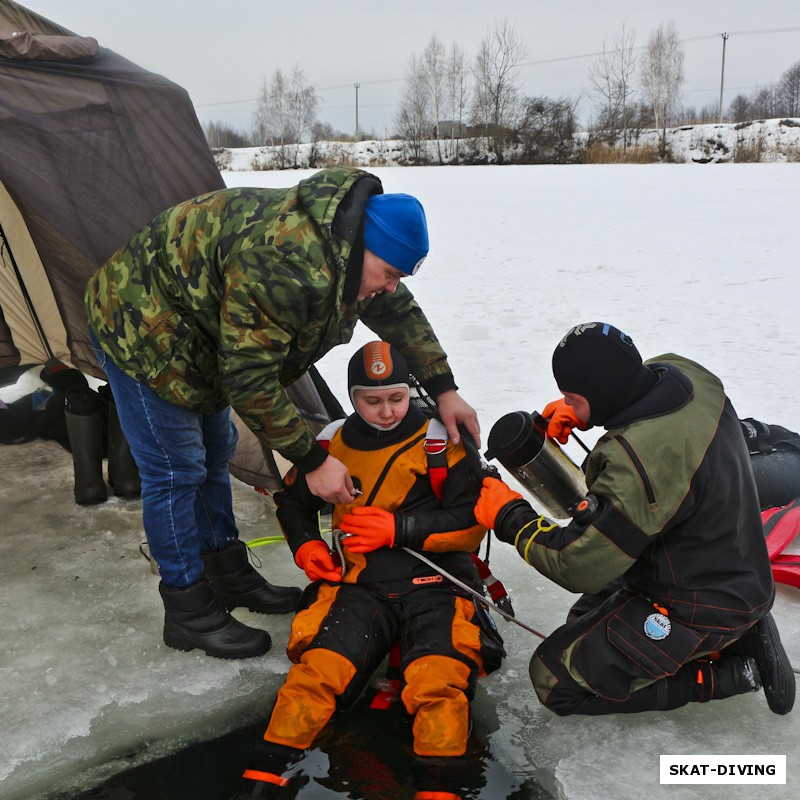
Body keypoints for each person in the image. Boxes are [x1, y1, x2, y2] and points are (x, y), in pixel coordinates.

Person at [84, 167, 480, 659]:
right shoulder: (283, 264)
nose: (393, 287)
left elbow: (397, 313)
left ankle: (226, 572)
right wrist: (312, 462)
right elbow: (249, 379)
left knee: (215, 452)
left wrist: (444, 389)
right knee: (175, 469)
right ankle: (187, 607)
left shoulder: (348, 251)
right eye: (391, 274)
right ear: (361, 251)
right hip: (142, 322)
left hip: (203, 327)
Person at [474, 321, 795, 716]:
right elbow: (640, 404)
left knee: (553, 679)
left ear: (602, 391)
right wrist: (587, 412)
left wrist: (509, 516)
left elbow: (577, 563)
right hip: (721, 557)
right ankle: (739, 623)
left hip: (699, 600)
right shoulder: (689, 376)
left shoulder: (637, 464)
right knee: (582, 620)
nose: (568, 406)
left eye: (572, 398)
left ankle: (731, 673)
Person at [238, 341, 502, 793]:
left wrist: (398, 529)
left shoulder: (444, 440)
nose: (386, 412)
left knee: (438, 686)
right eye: (371, 400)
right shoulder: (329, 443)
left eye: (396, 398)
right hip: (359, 582)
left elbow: (470, 521)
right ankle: (263, 775)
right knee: (317, 674)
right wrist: (305, 547)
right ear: (352, 396)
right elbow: (295, 504)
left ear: (410, 391)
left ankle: (439, 784)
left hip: (437, 581)